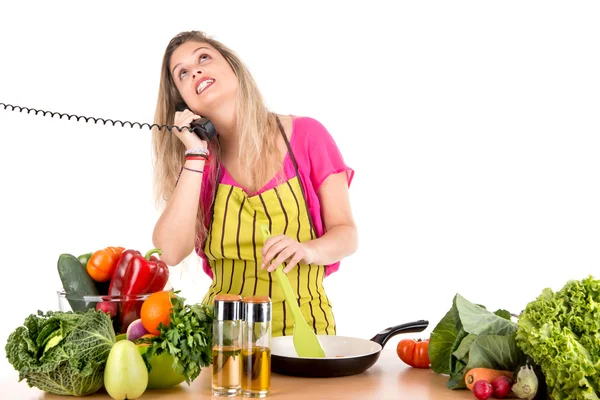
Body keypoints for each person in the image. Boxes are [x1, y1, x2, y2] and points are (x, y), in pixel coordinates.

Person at [151, 31, 357, 337]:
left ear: (232, 66)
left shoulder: (306, 135)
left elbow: (347, 235)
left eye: (203, 57)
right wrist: (195, 154)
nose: (194, 70)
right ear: (183, 102)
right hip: (223, 343)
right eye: (182, 73)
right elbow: (169, 251)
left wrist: (308, 250)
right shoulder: (197, 165)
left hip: (307, 335)